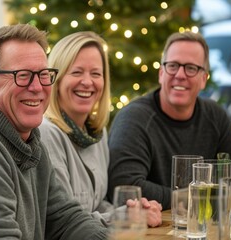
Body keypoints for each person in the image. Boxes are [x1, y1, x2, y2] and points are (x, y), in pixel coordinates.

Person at [0, 24, 108, 239]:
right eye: (22, 75)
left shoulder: (32, 143)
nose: (36, 87)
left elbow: (66, 218)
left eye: (43, 74)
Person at [38, 31, 162, 227]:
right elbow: (64, 222)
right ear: (58, 79)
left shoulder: (97, 133)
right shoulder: (47, 132)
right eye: (77, 72)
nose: (88, 82)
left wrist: (135, 210)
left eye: (96, 73)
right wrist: (124, 217)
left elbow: (97, 204)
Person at [107, 31, 231, 210]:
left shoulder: (216, 117)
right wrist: (195, 199)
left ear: (204, 79)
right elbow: (124, 187)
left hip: (204, 229)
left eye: (191, 68)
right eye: (173, 66)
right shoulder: (134, 119)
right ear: (161, 73)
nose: (180, 75)